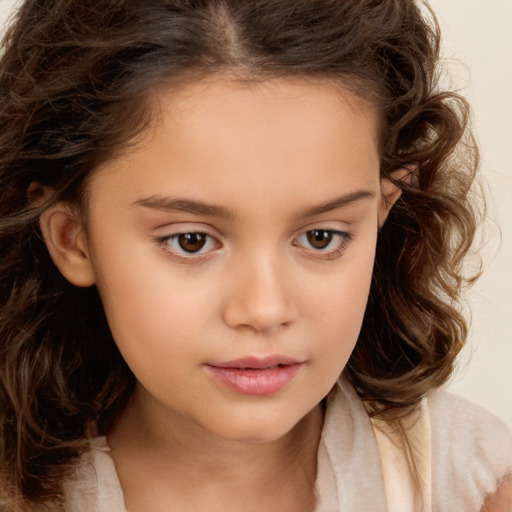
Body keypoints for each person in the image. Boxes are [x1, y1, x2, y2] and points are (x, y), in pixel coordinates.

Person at [0, 0, 511, 511]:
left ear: (381, 214)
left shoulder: (474, 487)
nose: (264, 309)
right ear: (72, 238)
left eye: (320, 237)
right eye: (191, 241)